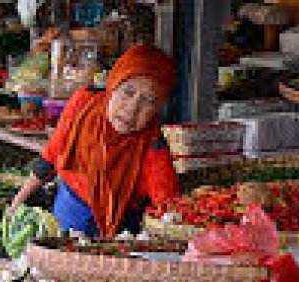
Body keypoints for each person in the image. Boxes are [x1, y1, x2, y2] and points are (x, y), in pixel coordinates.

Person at [9, 44, 178, 238]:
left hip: (120, 228)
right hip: (71, 209)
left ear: (157, 108)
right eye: (128, 92)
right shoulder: (83, 104)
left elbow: (167, 205)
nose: (132, 109)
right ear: (113, 85)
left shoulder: (153, 143)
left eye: (148, 100)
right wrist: (16, 204)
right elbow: (51, 156)